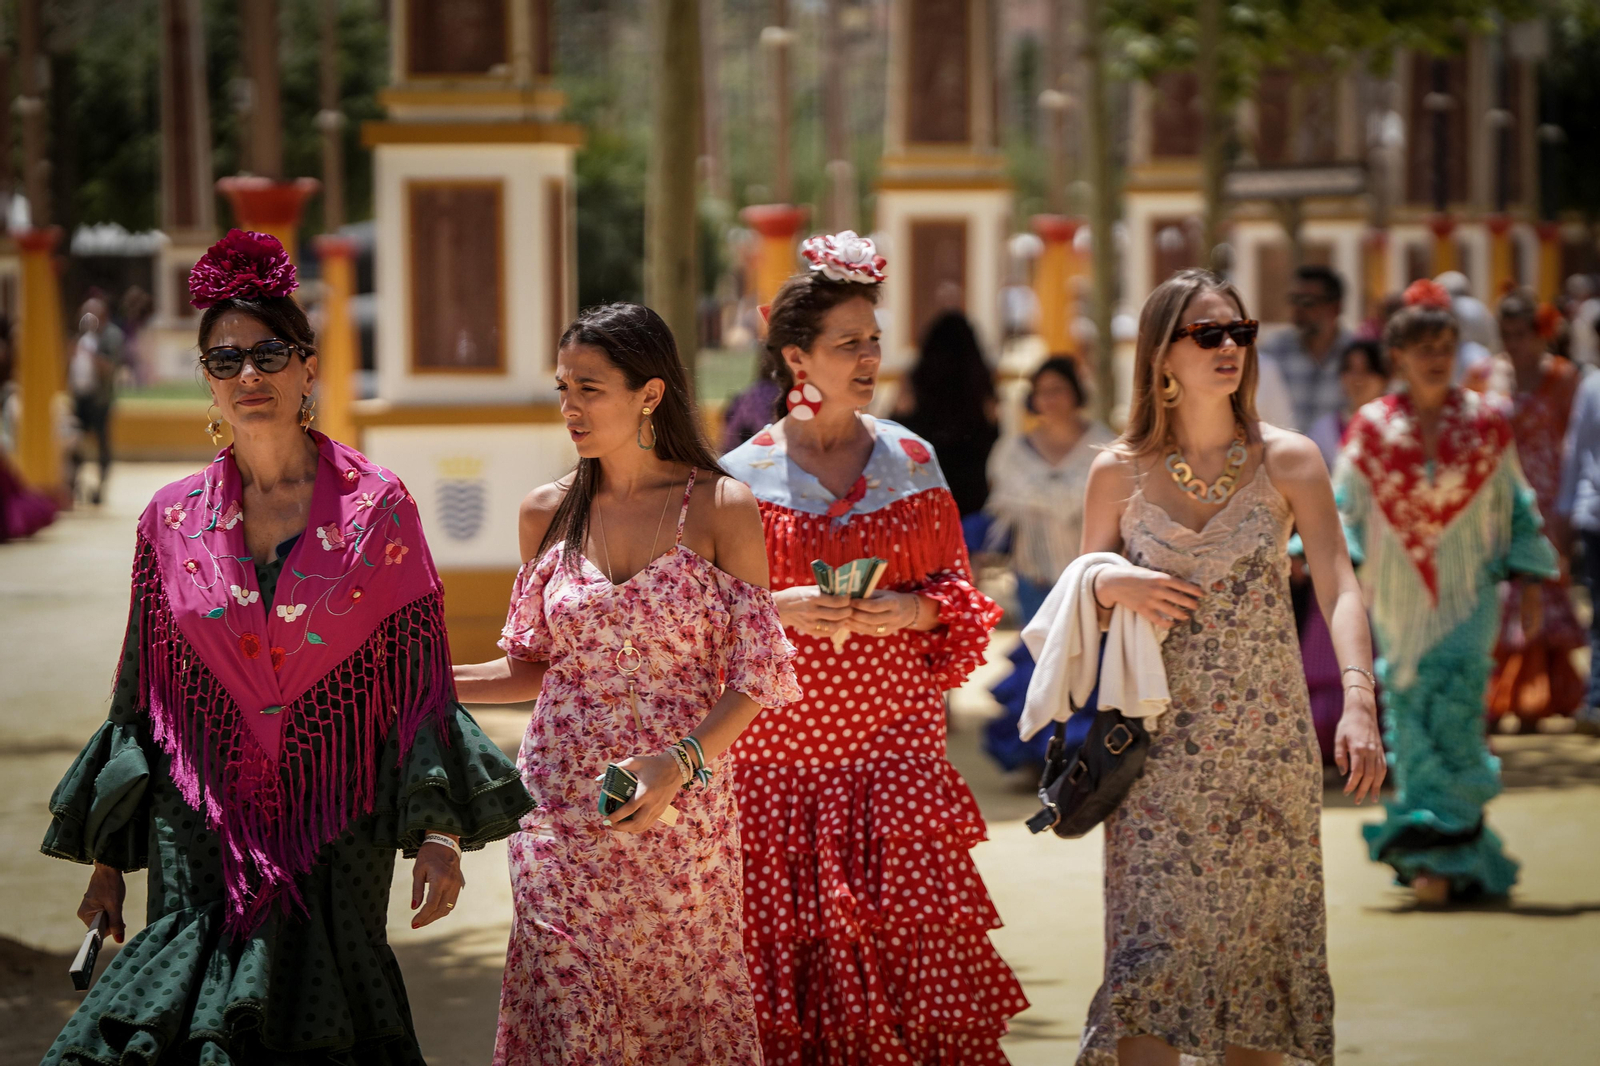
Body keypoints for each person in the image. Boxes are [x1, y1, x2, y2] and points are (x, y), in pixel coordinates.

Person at [39, 230, 534, 1065]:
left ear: (308, 368)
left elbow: (417, 686)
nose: (249, 376)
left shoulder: (379, 509)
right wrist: (108, 863)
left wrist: (440, 835)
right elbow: (140, 698)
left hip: (338, 821)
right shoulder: (167, 519)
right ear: (207, 379)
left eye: (269, 354)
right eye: (225, 360)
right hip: (196, 819)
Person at [452, 302, 800, 1064]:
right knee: (569, 1008)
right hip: (557, 812)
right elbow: (532, 665)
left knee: (676, 1017)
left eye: (590, 388)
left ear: (650, 394)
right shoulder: (546, 512)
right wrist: (431, 683)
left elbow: (757, 674)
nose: (570, 407)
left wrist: (678, 764)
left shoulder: (721, 507)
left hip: (682, 818)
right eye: (563, 389)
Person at [721, 230, 1028, 1064]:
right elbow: (700, 627)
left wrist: (910, 610)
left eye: (873, 341)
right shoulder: (735, 479)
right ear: (796, 358)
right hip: (774, 768)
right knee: (791, 989)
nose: (868, 358)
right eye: (846, 343)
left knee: (906, 973)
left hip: (895, 756)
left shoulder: (913, 460)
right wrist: (781, 607)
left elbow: (959, 597)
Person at [1077, 267, 1385, 1065]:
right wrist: (1112, 582)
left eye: (1239, 332)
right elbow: (1077, 601)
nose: (1230, 348)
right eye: (1207, 333)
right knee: (1149, 966)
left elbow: (1339, 584)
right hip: (1152, 752)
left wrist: (1358, 700)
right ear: (1161, 355)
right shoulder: (1117, 470)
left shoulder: (1292, 460)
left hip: (1266, 749)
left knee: (1257, 976)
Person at [1335, 279, 1558, 907]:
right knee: (1409, 714)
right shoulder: (1372, 426)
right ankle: (1438, 852)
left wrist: (1531, 580)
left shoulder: (1487, 421)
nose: (1436, 358)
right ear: (1398, 356)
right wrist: (1320, 559)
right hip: (1397, 591)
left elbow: (1516, 500)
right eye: (1423, 348)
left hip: (1471, 589)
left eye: (1445, 346)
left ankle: (1446, 849)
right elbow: (1343, 505)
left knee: (1458, 710)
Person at [981, 356, 1114, 774]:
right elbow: (1002, 504)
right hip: (1034, 576)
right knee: (1041, 660)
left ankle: (1086, 759)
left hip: (1093, 579)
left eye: (1058, 389)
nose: (1049, 399)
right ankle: (1036, 758)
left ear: (1076, 393)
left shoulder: (1106, 444)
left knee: (1089, 663)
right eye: (1041, 391)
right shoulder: (1011, 450)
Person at [1464, 290, 1585, 728]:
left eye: (1521, 334)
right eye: (1507, 334)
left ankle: (1534, 698)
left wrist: (1569, 509)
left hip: (1548, 496)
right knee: (1498, 592)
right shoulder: (1484, 373)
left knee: (1538, 588)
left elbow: (1576, 443)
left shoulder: (1563, 376)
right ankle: (1494, 698)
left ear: (1540, 334)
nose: (1513, 344)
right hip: (1496, 498)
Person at [893, 309, 1001, 549]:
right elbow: (994, 432)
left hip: (924, 482)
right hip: (971, 487)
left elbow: (896, 427)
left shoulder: (915, 379)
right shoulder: (981, 380)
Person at [1257, 263, 1355, 433]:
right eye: (1294, 300)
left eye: (1307, 302)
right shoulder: (1274, 351)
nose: (1298, 308)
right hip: (1285, 448)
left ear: (1335, 307)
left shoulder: (1356, 355)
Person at [1558, 365, 1600, 734]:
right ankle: (1597, 699)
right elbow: (1575, 450)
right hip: (1595, 515)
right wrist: (1565, 512)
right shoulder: (1592, 387)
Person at [68, 295, 123, 504]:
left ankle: (100, 489)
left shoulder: (111, 336)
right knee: (74, 442)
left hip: (100, 401)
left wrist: (91, 355)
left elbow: (111, 367)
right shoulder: (81, 336)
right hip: (80, 397)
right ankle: (73, 485)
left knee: (102, 446)